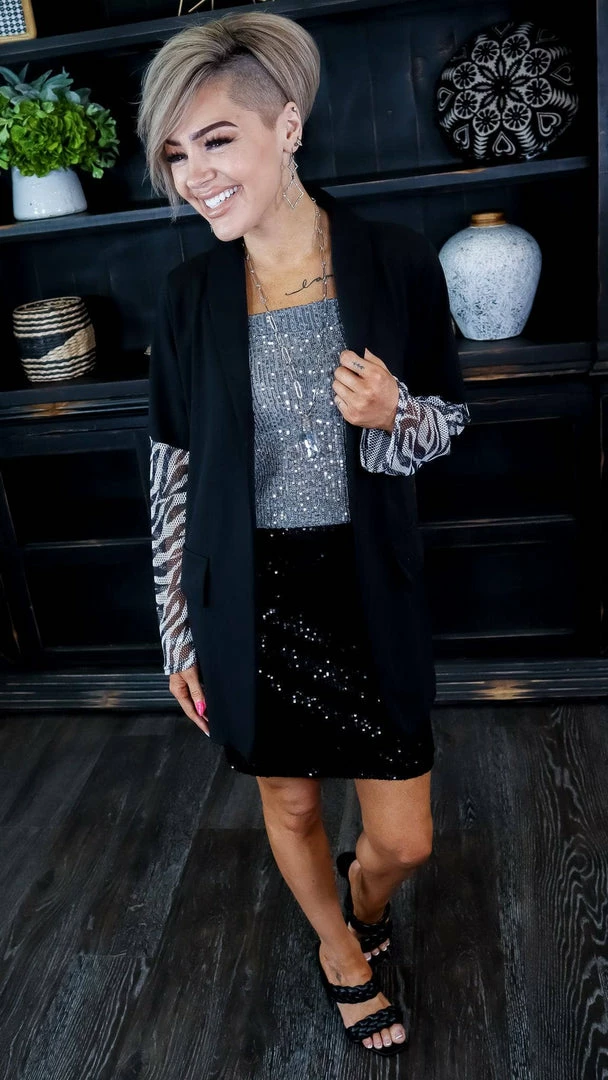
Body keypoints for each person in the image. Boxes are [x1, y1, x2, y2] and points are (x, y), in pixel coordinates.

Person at [138, 10, 471, 1058]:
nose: (195, 175)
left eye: (216, 140)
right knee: (287, 807)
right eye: (176, 154)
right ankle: (338, 951)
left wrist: (395, 413)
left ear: (287, 126)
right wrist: (176, 629)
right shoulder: (189, 296)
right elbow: (172, 470)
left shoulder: (393, 262)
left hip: (366, 587)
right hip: (248, 595)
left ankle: (365, 902)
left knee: (402, 840)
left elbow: (450, 421)